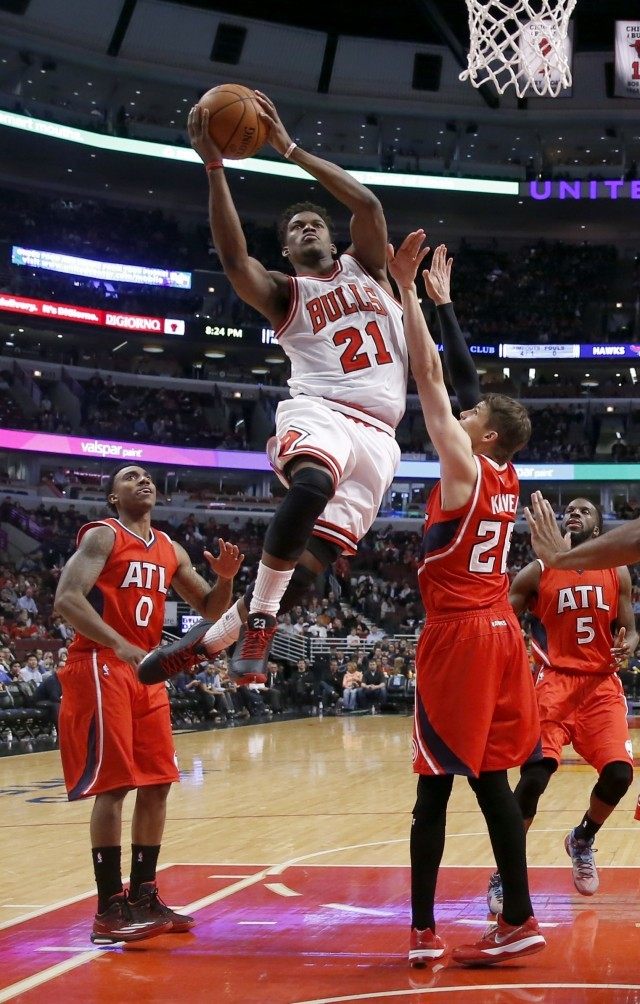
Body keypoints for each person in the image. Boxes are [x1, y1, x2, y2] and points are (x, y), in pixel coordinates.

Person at [138, 89, 407, 686]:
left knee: (309, 569)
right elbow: (236, 263)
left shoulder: (370, 268)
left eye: (316, 223)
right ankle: (258, 621)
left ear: (333, 241)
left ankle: (209, 642)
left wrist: (288, 146)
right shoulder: (287, 292)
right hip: (322, 409)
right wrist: (214, 167)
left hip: (383, 439)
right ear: (286, 249)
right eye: (296, 228)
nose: (308, 227)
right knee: (312, 480)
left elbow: (365, 201)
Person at [387, 233, 545, 968]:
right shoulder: (505, 477)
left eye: (473, 416)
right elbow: (469, 383)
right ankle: (518, 915)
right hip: (502, 633)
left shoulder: (463, 463)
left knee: (432, 787)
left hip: (458, 637)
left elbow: (430, 377)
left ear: (483, 436)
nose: (464, 413)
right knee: (491, 782)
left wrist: (410, 297)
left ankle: (422, 932)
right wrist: (449, 308)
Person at [53, 463, 243, 945]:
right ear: (113, 497)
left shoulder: (170, 549)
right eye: (130, 477)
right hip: (101, 663)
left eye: (148, 477)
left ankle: (143, 895)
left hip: (147, 670)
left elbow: (211, 610)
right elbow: (67, 599)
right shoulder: (102, 536)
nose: (143, 482)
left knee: (158, 782)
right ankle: (108, 908)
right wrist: (119, 644)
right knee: (114, 786)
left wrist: (224, 579)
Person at [487, 498, 637, 915]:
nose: (573, 512)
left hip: (601, 685)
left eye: (585, 509)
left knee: (620, 774)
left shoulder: (617, 570)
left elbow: (631, 627)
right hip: (553, 683)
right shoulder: (537, 570)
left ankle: (583, 837)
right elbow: (501, 618)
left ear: (598, 527)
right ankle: (505, 872)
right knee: (534, 777)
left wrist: (629, 643)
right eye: (568, 509)